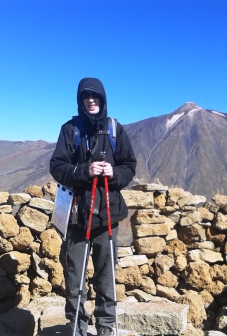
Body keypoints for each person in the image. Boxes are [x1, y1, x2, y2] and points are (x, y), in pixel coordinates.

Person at [50, 77, 136, 336]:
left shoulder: (114, 129)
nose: (91, 99)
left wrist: (114, 172)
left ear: (102, 99)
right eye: (86, 96)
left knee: (105, 276)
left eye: (95, 95)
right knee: (74, 275)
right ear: (80, 100)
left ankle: (106, 326)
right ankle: (77, 326)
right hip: (77, 218)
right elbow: (57, 167)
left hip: (107, 217)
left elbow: (129, 166)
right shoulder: (70, 130)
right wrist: (85, 171)